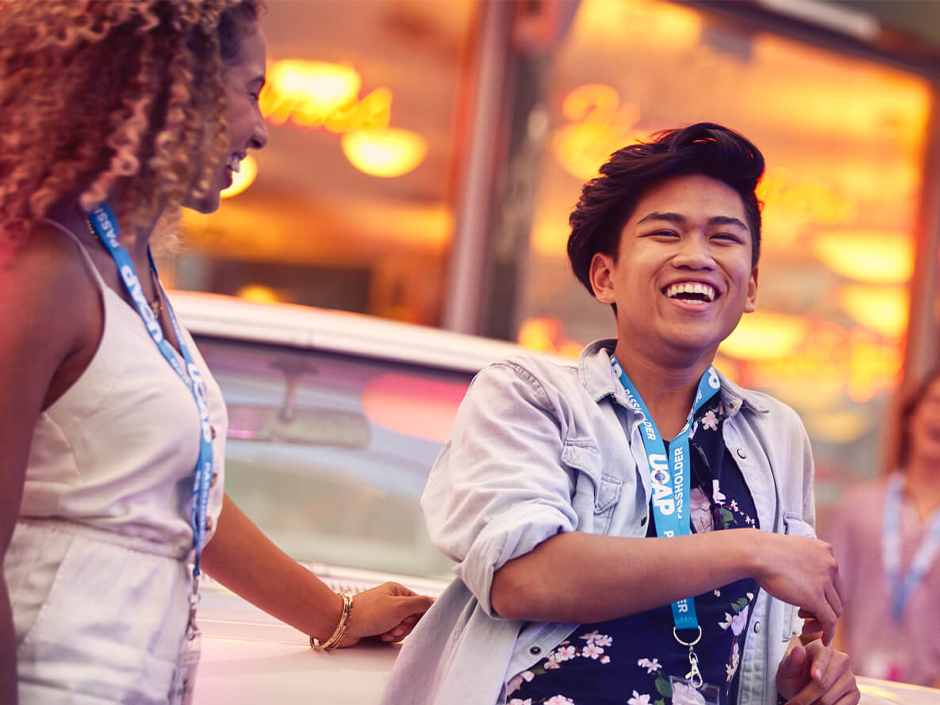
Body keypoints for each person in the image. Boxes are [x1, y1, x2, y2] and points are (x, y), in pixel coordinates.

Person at [0, 2, 431, 703]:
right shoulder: (42, 269)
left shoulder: (130, 272)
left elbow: (181, 496)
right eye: (250, 91)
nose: (260, 130)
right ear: (166, 88)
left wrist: (336, 614)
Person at [381, 123, 860, 705]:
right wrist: (751, 549)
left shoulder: (775, 434)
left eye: (724, 238)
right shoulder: (528, 396)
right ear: (604, 276)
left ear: (751, 286)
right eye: (665, 232)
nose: (697, 256)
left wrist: (796, 683)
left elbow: (751, 640)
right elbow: (519, 577)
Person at [830, 369, 940, 687]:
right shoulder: (860, 504)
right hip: (853, 687)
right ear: (911, 415)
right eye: (935, 402)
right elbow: (830, 598)